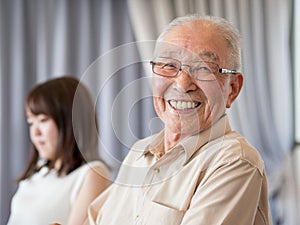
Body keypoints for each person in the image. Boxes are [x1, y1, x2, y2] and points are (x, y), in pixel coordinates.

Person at [7, 76, 110, 225]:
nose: (35, 133)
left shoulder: (92, 174)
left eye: (42, 120)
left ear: (70, 122)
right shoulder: (38, 172)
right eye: (30, 122)